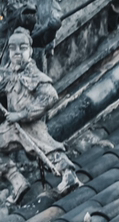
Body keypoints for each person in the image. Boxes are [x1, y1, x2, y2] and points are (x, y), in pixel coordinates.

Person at [0, 27, 77, 204]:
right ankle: (18, 182)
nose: (17, 52)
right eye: (12, 48)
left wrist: (21, 114)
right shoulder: (9, 74)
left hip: (30, 125)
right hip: (13, 127)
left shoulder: (33, 75)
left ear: (30, 51)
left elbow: (50, 96)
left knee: (47, 148)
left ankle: (68, 176)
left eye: (22, 48)